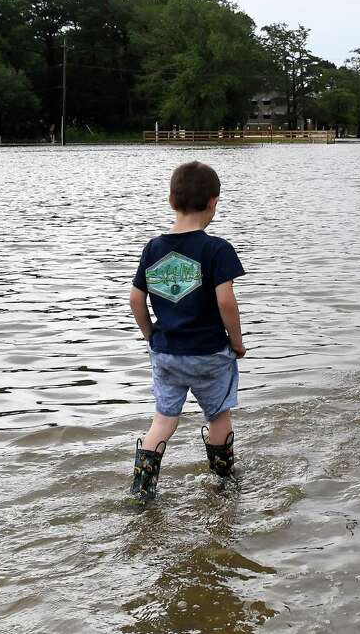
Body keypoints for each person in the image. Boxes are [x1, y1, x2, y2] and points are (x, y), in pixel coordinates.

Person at [128, 161, 246, 501]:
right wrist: (236, 343)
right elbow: (226, 302)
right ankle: (224, 483)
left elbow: (136, 299)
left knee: (163, 420)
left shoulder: (153, 248)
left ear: (170, 201)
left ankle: (142, 489)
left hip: (166, 352)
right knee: (219, 414)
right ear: (213, 202)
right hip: (209, 352)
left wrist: (151, 335)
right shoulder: (216, 249)